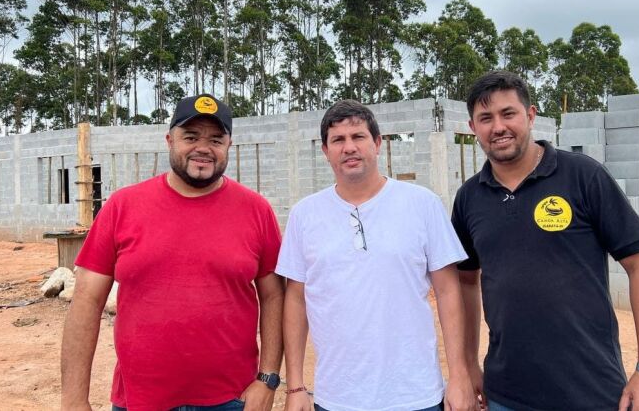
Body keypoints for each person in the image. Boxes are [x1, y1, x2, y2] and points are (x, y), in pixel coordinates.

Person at [453, 71, 639, 411]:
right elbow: (465, 281)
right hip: (506, 395)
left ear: (531, 115)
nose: (498, 127)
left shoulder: (583, 176)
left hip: (591, 391)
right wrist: (465, 367)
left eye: (508, 113)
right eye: (485, 118)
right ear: (472, 127)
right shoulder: (469, 198)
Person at [61, 94, 285, 411]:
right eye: (191, 136)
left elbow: (275, 295)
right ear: (169, 140)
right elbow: (86, 300)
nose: (203, 148)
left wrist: (268, 379)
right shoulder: (122, 207)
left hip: (232, 400)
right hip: (140, 400)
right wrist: (73, 400)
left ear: (228, 146)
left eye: (216, 139)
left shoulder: (256, 211)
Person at [278, 100, 477, 411]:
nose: (349, 147)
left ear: (378, 143)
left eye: (358, 137)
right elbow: (296, 299)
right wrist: (295, 387)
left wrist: (460, 376)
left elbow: (448, 290)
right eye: (338, 140)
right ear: (326, 151)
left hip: (416, 395)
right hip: (337, 398)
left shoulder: (422, 204)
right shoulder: (305, 214)